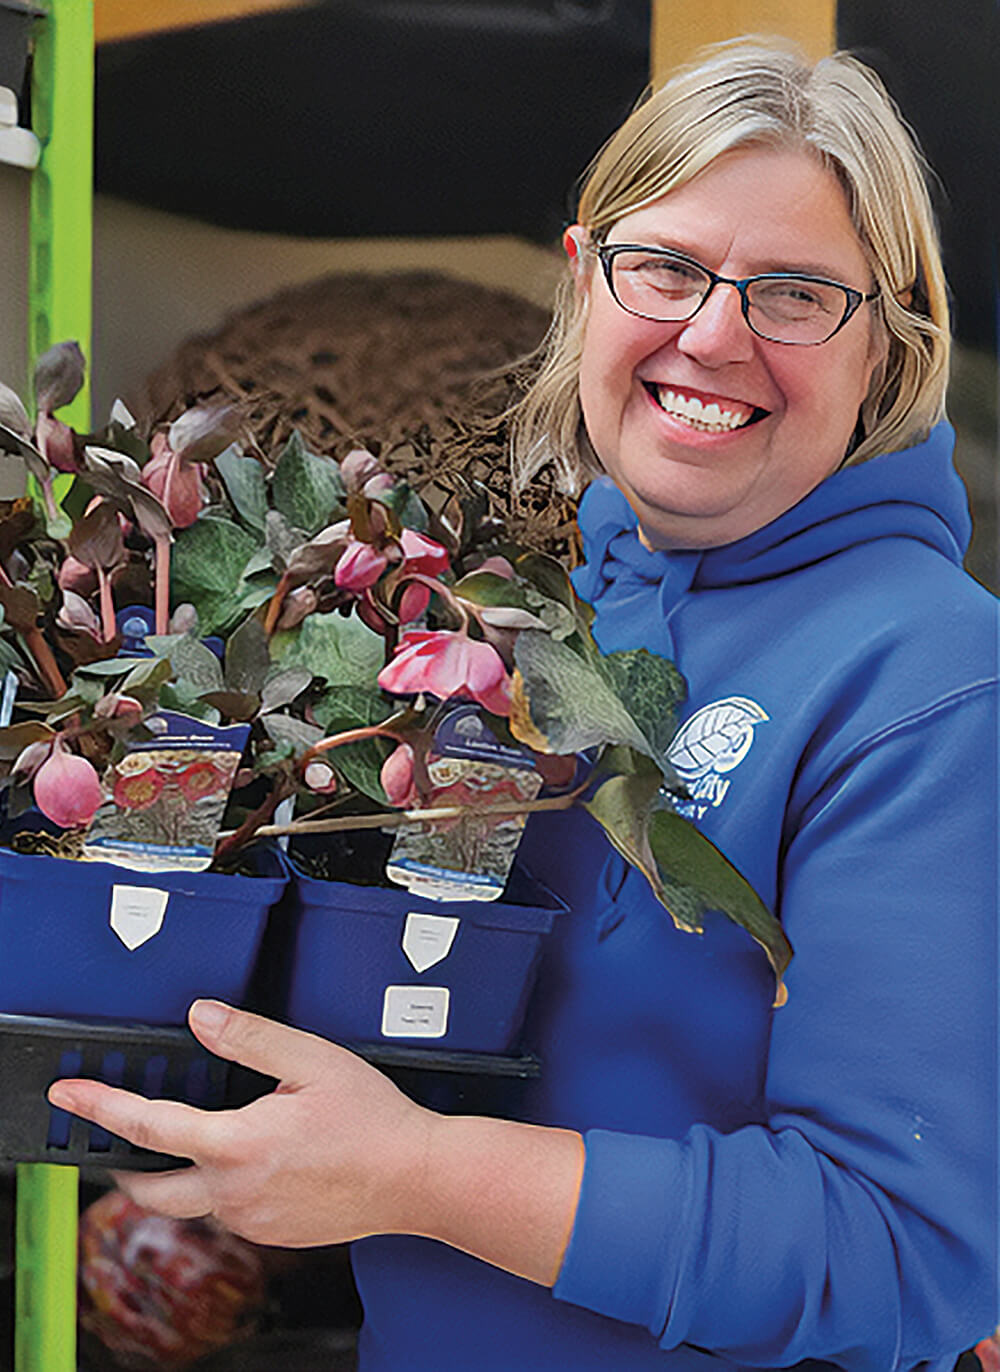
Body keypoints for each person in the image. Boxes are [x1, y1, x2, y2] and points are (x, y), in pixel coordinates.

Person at [49, 37, 997, 1372]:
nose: (712, 335)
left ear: (889, 346)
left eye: (796, 294)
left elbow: (902, 1250)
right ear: (583, 277)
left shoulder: (934, 679)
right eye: (664, 267)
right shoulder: (507, 632)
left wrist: (417, 1174)